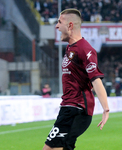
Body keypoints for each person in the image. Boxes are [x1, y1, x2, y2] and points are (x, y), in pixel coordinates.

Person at [43, 8, 109, 150]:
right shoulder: (70, 48)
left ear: (70, 25)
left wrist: (106, 109)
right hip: (68, 107)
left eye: (60, 22)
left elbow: (96, 79)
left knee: (50, 148)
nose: (56, 26)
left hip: (76, 108)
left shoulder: (85, 49)